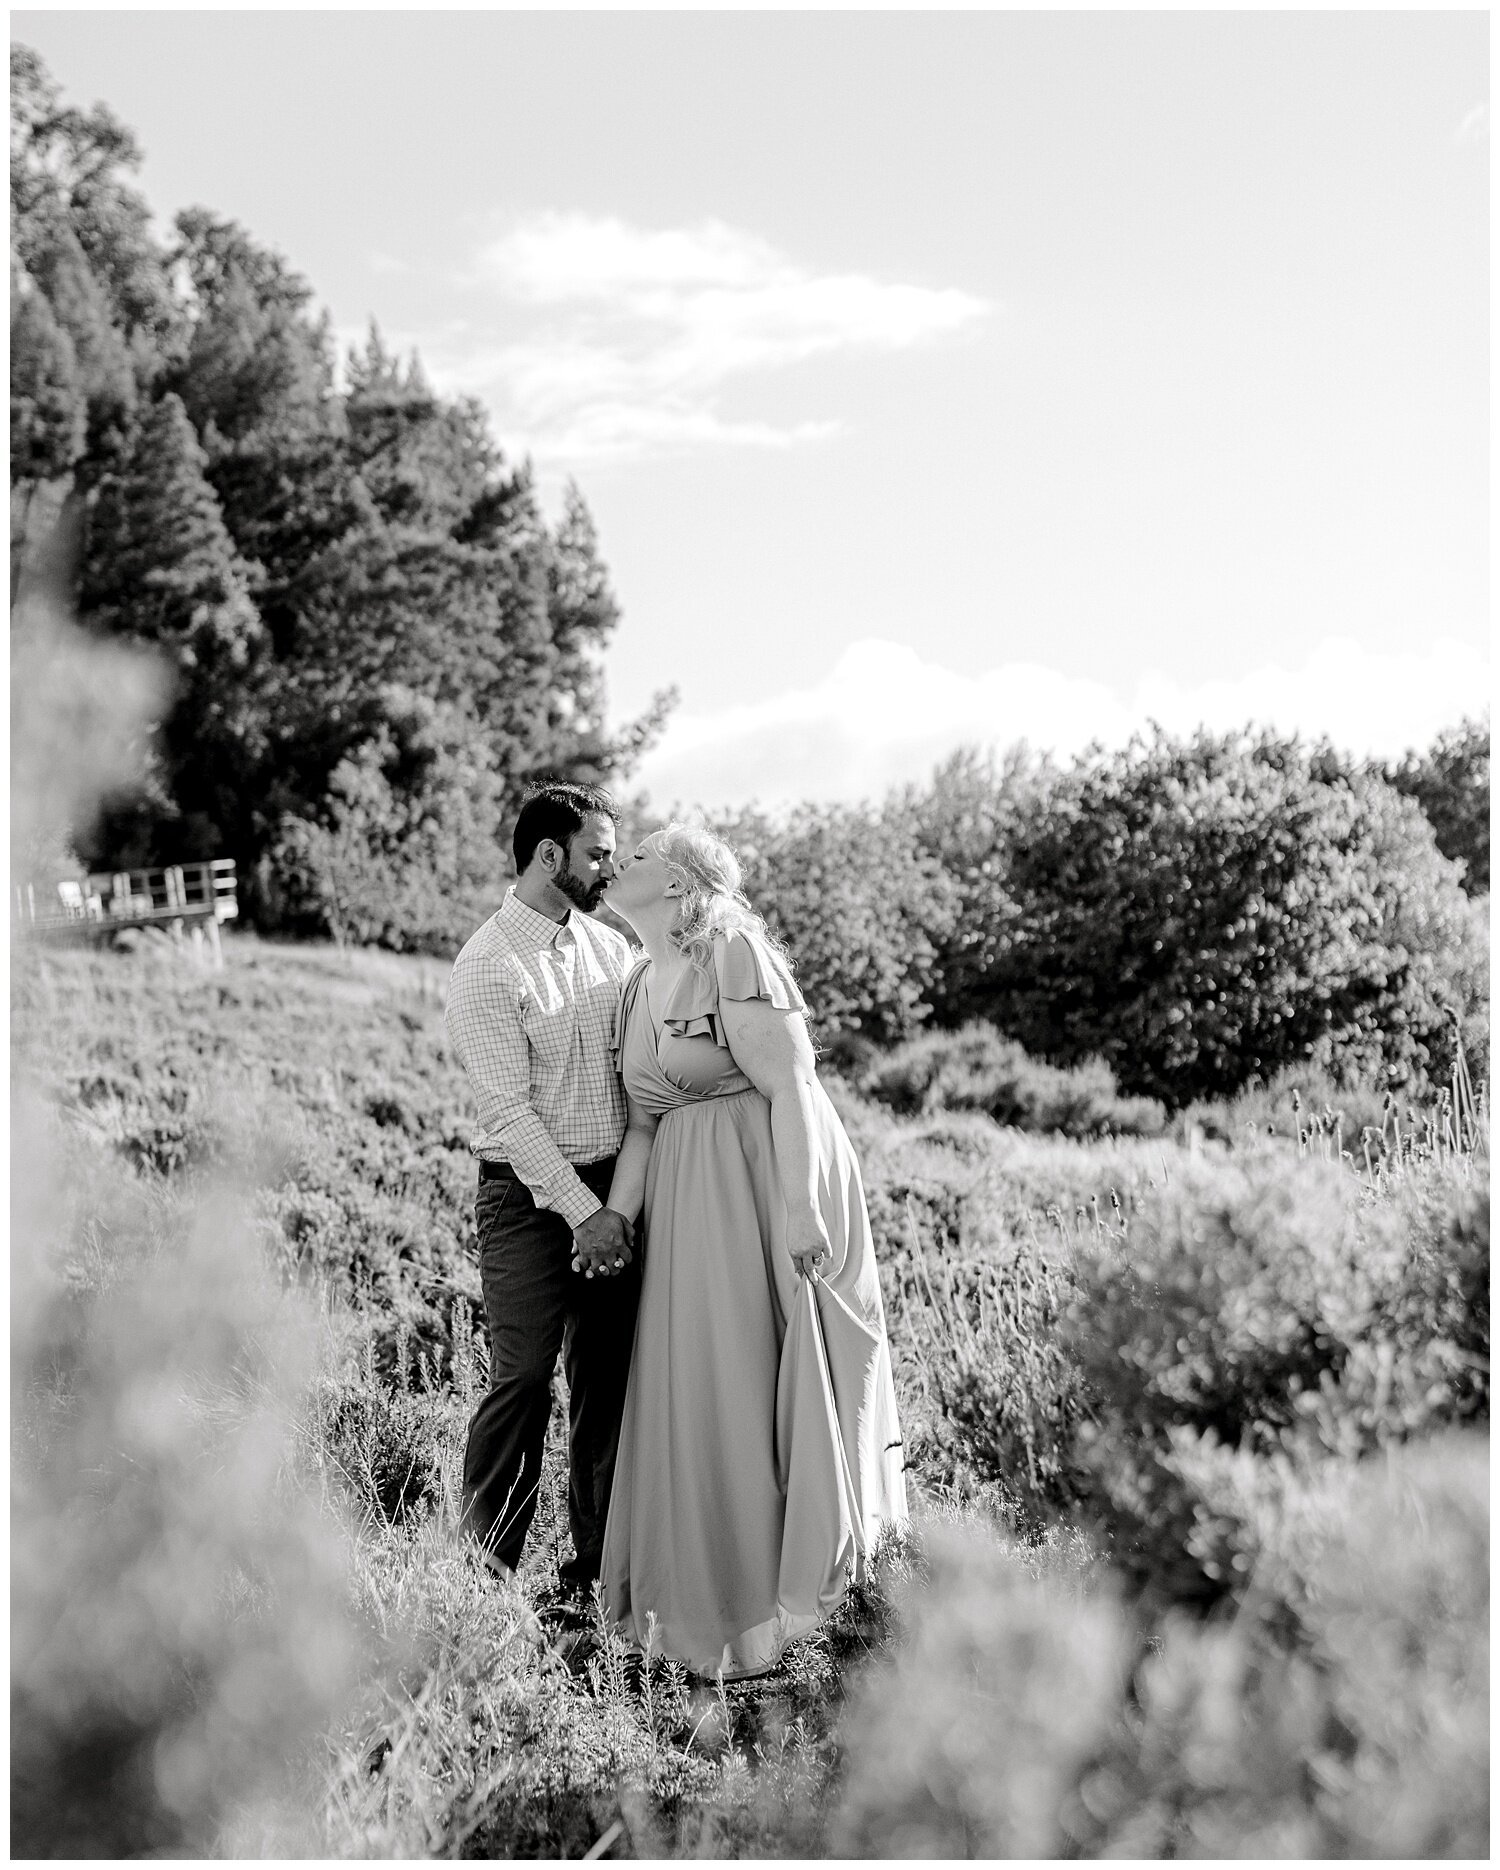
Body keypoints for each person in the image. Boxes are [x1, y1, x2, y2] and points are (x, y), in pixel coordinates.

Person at [597, 824, 908, 1679]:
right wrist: (614, 1222)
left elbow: (792, 1085)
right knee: (706, 1388)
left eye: (643, 853)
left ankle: (801, 1618)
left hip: (767, 1185)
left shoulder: (731, 950)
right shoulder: (634, 983)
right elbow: (643, 1127)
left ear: (684, 882)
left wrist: (802, 1208)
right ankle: (712, 1621)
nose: (623, 860)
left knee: (773, 1376)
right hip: (689, 1207)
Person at [444, 782, 641, 1609]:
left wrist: (616, 1209)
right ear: (547, 855)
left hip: (613, 1196)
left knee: (608, 1385)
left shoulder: (613, 950)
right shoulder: (487, 965)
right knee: (523, 1379)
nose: (611, 867)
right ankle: (485, 1579)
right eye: (597, 853)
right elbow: (508, 1117)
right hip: (526, 1198)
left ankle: (592, 1577)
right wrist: (583, 1213)